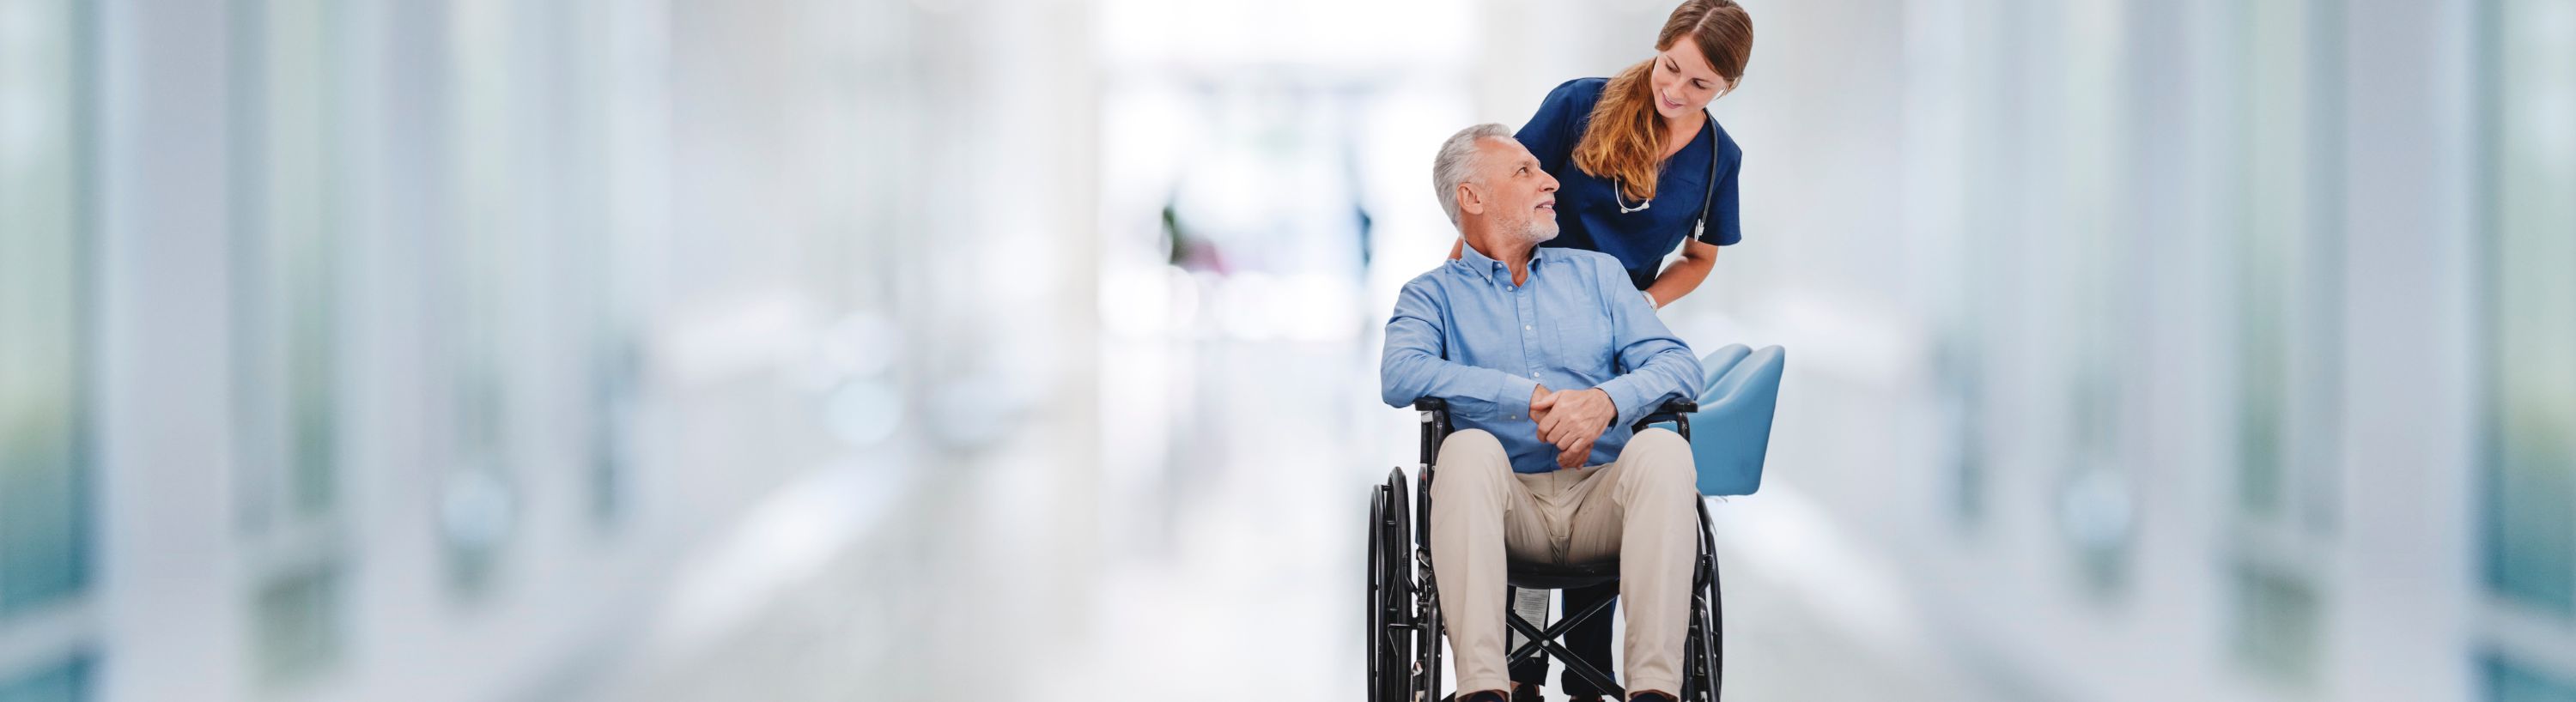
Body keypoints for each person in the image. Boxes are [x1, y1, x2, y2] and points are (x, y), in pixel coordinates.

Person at [1447, 4, 1753, 697]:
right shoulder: (1581, 106)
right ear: (1660, 47)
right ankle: (1517, 671)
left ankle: (1588, 673)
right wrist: (1464, 293)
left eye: (1700, 85)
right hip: (1522, 310)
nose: (1676, 90)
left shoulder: (1718, 160)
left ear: (1726, 86)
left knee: (1604, 472)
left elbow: (1700, 257)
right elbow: (1494, 196)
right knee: (1522, 466)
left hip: (1611, 334)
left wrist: (1639, 306)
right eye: (1671, 68)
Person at [1382, 124, 1704, 702]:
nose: (1551, 181)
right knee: (1466, 448)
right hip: (1506, 508)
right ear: (1472, 197)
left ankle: (1655, 691)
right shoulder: (1431, 296)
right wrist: (1521, 395)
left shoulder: (1598, 276)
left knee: (1663, 448)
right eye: (1525, 171)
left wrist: (1606, 402)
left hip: (1604, 499)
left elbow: (1679, 365)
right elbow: (1400, 374)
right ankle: (1483, 689)